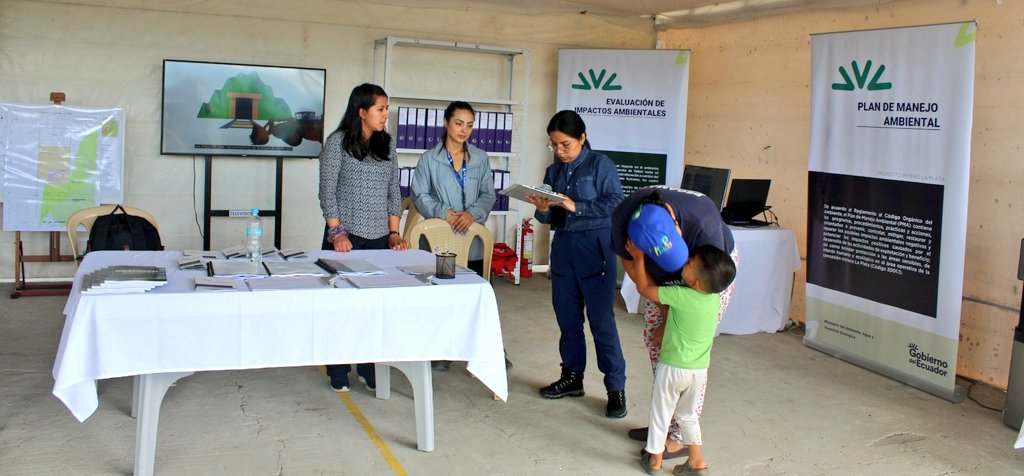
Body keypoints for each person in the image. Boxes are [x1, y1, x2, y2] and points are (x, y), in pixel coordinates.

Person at [612, 186, 738, 450]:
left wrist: (673, 325)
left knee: (687, 357)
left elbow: (704, 288)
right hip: (660, 282)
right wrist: (664, 316)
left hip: (709, 277)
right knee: (657, 343)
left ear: (678, 228)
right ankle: (665, 422)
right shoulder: (624, 217)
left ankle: (680, 436)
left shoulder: (705, 225)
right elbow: (629, 265)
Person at [525, 110, 627, 418]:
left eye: (565, 144)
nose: (559, 151)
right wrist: (543, 208)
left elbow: (615, 202)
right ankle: (572, 377)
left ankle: (615, 389)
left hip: (596, 248)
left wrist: (575, 205)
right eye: (554, 145)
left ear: (582, 138)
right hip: (565, 249)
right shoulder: (553, 171)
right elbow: (549, 218)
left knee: (601, 322)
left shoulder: (600, 165)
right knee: (568, 320)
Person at [318, 83, 409, 392]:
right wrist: (337, 232)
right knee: (342, 309)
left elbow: (393, 190)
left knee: (374, 308)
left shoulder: (387, 144)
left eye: (386, 108)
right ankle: (338, 368)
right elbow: (327, 191)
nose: (386, 114)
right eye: (381, 109)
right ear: (362, 111)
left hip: (380, 239)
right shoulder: (337, 143)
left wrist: (395, 233)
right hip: (345, 238)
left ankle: (368, 366)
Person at [410, 101, 503, 371]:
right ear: (446, 123)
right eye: (459, 123)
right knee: (443, 291)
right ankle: (441, 349)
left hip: (472, 237)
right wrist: (445, 213)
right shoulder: (430, 159)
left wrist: (472, 214)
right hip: (443, 239)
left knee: (477, 293)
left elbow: (488, 195)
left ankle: (490, 348)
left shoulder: (481, 158)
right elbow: (420, 194)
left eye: (470, 125)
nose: (464, 130)